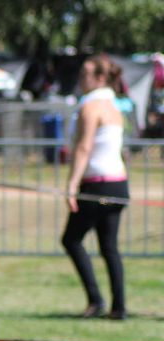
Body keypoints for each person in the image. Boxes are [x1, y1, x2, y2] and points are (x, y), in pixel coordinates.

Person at [61, 53, 129, 320]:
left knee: (71, 240)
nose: (80, 79)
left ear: (100, 78)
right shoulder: (115, 107)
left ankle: (96, 300)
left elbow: (84, 147)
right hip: (118, 184)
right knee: (109, 247)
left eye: (85, 75)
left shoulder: (91, 107)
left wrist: (71, 185)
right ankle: (118, 307)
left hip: (97, 185)